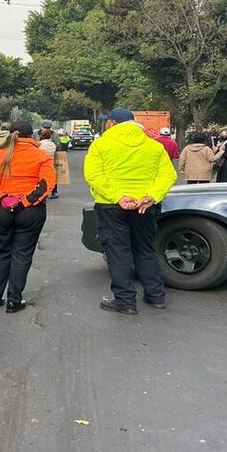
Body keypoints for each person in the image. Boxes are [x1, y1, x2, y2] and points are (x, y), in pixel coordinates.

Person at [85, 108, 177, 315]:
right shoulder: (154, 146)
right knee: (145, 250)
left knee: (119, 252)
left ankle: (125, 301)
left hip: (112, 206)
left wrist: (119, 196)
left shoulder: (100, 144)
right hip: (146, 206)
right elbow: (168, 175)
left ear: (110, 123)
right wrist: (151, 195)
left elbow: (94, 175)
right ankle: (156, 296)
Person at [0, 121, 57, 313]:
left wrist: (3, 198)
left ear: (11, 134)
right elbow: (47, 184)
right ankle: (14, 300)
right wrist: (25, 201)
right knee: (22, 255)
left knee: (2, 252)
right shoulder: (41, 157)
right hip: (30, 211)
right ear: (32, 136)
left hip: (0, 210)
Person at [37, 130, 60, 198]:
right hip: (51, 163)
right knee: (52, 178)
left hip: (41, 163)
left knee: (41, 179)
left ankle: (42, 193)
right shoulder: (53, 145)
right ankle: (54, 191)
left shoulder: (39, 144)